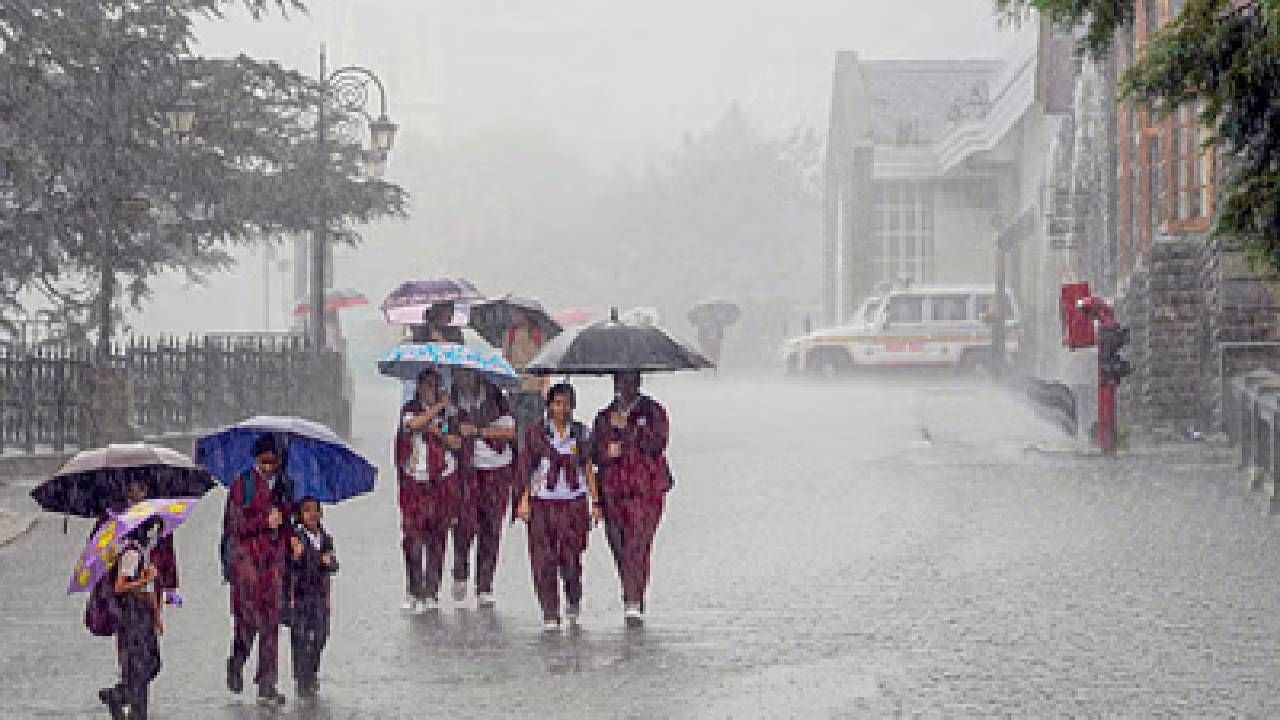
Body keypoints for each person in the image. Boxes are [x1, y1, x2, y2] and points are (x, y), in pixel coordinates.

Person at [515, 383, 601, 631]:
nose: (562, 409)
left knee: (571, 557)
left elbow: (587, 468)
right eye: (557, 403)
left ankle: (573, 599)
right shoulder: (536, 433)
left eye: (567, 403)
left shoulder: (581, 433)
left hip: (573, 501)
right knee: (543, 560)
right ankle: (550, 612)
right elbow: (526, 469)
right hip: (542, 501)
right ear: (549, 405)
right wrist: (523, 500)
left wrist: (596, 503)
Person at [591, 371, 671, 626]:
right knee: (619, 546)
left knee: (638, 542)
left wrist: (627, 432)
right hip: (613, 490)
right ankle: (632, 589)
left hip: (646, 489)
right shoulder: (603, 417)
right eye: (620, 381)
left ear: (638, 382)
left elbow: (657, 444)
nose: (625, 386)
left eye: (630, 381)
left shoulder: (654, 412)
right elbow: (594, 454)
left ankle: (633, 598)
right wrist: (606, 450)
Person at [223, 436, 291, 706]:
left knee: (271, 625)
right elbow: (234, 524)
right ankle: (237, 662)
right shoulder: (242, 485)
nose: (269, 467)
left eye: (273, 462)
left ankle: (267, 683)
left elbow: (288, 521)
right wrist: (265, 520)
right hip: (247, 564)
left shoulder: (285, 486)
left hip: (273, 564)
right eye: (264, 461)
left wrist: (288, 534)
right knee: (247, 623)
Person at [447, 368, 517, 606]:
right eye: (459, 375)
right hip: (466, 468)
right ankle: (460, 570)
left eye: (468, 375)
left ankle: (485, 585)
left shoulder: (496, 398)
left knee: (492, 527)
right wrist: (451, 436)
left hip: (497, 468)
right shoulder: (451, 398)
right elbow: (444, 427)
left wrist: (478, 431)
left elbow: (509, 432)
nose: (463, 379)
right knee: (464, 523)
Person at [394, 368, 458, 612]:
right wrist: (435, 412)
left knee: (437, 536)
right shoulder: (409, 409)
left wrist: (439, 429)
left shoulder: (449, 414)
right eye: (426, 385)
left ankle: (432, 590)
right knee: (412, 536)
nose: (430, 390)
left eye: (434, 385)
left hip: (441, 479)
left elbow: (454, 440)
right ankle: (413, 588)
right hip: (414, 478)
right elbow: (412, 425)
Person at [98, 517, 164, 720]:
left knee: (151, 663)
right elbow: (120, 586)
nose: (156, 535)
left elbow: (148, 590)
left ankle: (125, 699)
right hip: (132, 614)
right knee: (141, 665)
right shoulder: (130, 555)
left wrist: (156, 614)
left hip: (143, 612)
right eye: (153, 531)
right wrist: (146, 578)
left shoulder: (143, 554)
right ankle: (123, 699)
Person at [287, 497, 338, 699]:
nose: (312, 515)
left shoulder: (326, 538)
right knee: (300, 637)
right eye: (307, 511)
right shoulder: (295, 538)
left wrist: (328, 562)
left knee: (321, 635)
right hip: (300, 594)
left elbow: (333, 564)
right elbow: (294, 564)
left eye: (315, 510)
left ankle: (312, 671)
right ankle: (301, 678)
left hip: (320, 596)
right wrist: (300, 556)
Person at [502, 308, 549, 436]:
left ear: (526, 314)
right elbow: (505, 361)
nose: (514, 316)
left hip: (534, 388)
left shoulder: (538, 334)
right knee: (516, 427)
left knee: (534, 428)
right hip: (515, 388)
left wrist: (545, 385)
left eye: (517, 313)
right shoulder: (510, 334)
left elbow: (546, 361)